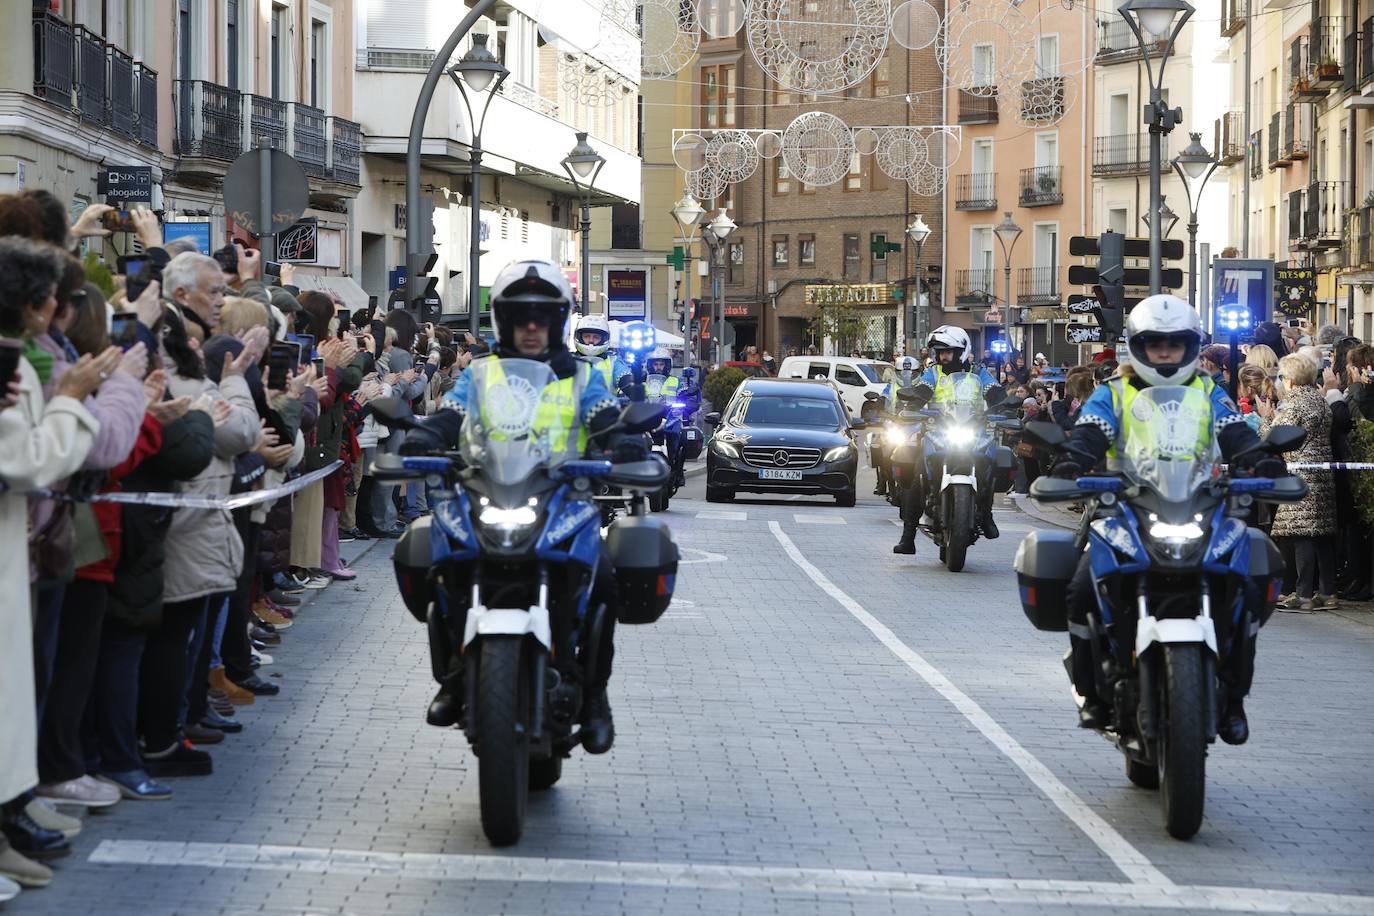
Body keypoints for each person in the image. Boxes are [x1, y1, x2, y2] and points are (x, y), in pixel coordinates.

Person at [403, 260, 623, 753]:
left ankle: (595, 698)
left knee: (606, 580)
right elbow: (451, 416)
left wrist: (622, 439)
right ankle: (454, 675)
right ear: (504, 320)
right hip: (487, 492)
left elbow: (605, 416)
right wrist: (422, 433)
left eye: (541, 316)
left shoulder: (583, 377)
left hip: (563, 500)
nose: (530, 326)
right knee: (433, 562)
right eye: (521, 316)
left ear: (556, 321)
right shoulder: (479, 377)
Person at [1053, 294, 1276, 745]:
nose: (1166, 353)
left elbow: (1232, 430)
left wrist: (1261, 460)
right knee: (1078, 591)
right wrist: (1074, 461)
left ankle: (1233, 699)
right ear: (1139, 347)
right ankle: (1091, 691)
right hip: (1125, 510)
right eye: (1157, 345)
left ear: (1190, 347)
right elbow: (1092, 431)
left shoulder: (1208, 392)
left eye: (1175, 345)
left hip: (1199, 508)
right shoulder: (1113, 392)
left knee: (1248, 590)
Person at [893, 327, 1003, 554]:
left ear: (961, 351)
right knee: (916, 473)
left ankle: (987, 514)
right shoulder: (932, 373)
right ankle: (908, 534)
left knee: (991, 465)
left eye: (948, 352)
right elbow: (922, 391)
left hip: (973, 430)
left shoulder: (979, 372)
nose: (942, 356)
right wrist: (911, 407)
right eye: (940, 352)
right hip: (939, 430)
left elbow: (995, 393)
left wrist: (1005, 403)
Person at [1258, 354, 1336, 612]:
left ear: (1289, 380)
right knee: (1322, 535)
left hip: (1301, 471)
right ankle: (1328, 592)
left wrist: (1265, 418)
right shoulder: (1319, 399)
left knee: (1301, 534)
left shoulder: (1294, 404)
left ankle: (1302, 595)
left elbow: (1275, 438)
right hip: (1322, 472)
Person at [572, 313, 630, 393]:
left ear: (604, 339)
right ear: (579, 337)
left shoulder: (613, 362)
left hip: (606, 404)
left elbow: (624, 376)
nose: (591, 340)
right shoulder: (568, 360)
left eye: (596, 337)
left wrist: (631, 385)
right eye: (586, 336)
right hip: (573, 405)